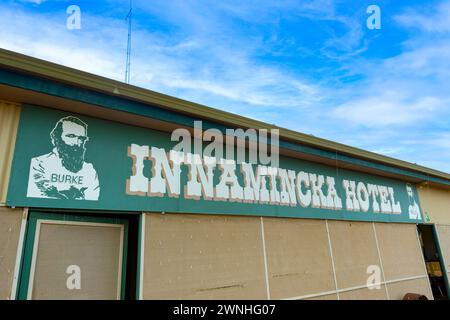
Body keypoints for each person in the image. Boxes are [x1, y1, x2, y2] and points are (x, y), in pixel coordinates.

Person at [26, 116, 100, 200]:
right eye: (71, 136)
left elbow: (92, 199)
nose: (77, 143)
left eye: (81, 138)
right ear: (57, 138)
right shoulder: (38, 163)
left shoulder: (89, 170)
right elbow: (40, 195)